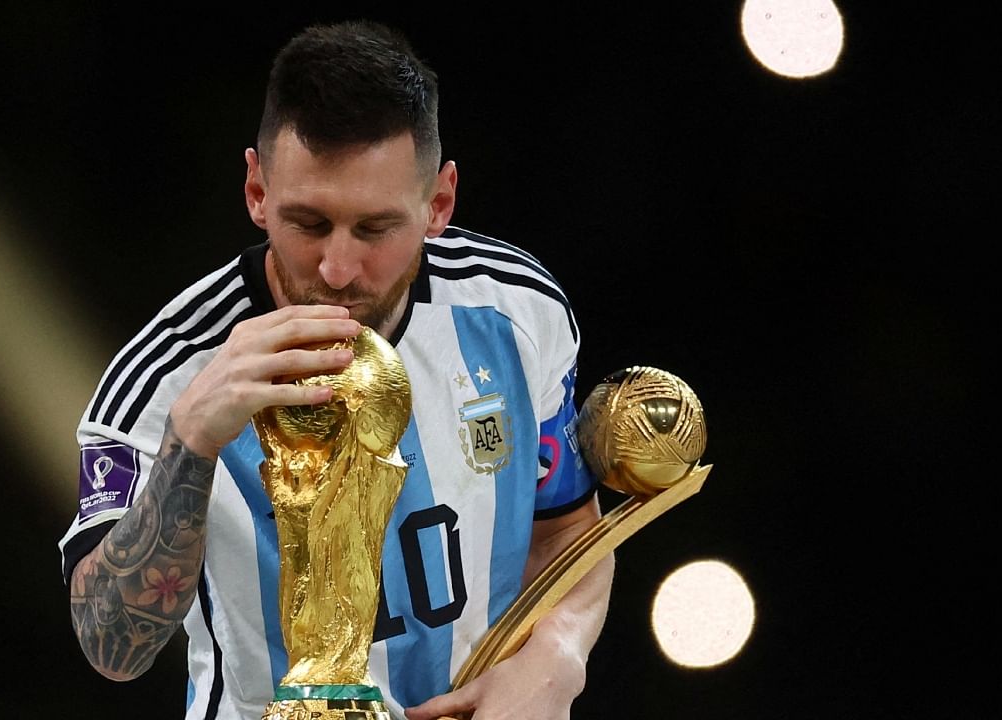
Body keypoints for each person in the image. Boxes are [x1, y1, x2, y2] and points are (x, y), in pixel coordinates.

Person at [58, 19, 614, 720]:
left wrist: (556, 658)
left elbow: (567, 531)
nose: (338, 269)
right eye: (309, 224)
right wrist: (191, 441)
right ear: (256, 191)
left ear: (439, 203)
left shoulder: (516, 310)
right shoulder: (164, 379)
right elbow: (111, 647)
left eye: (375, 228)